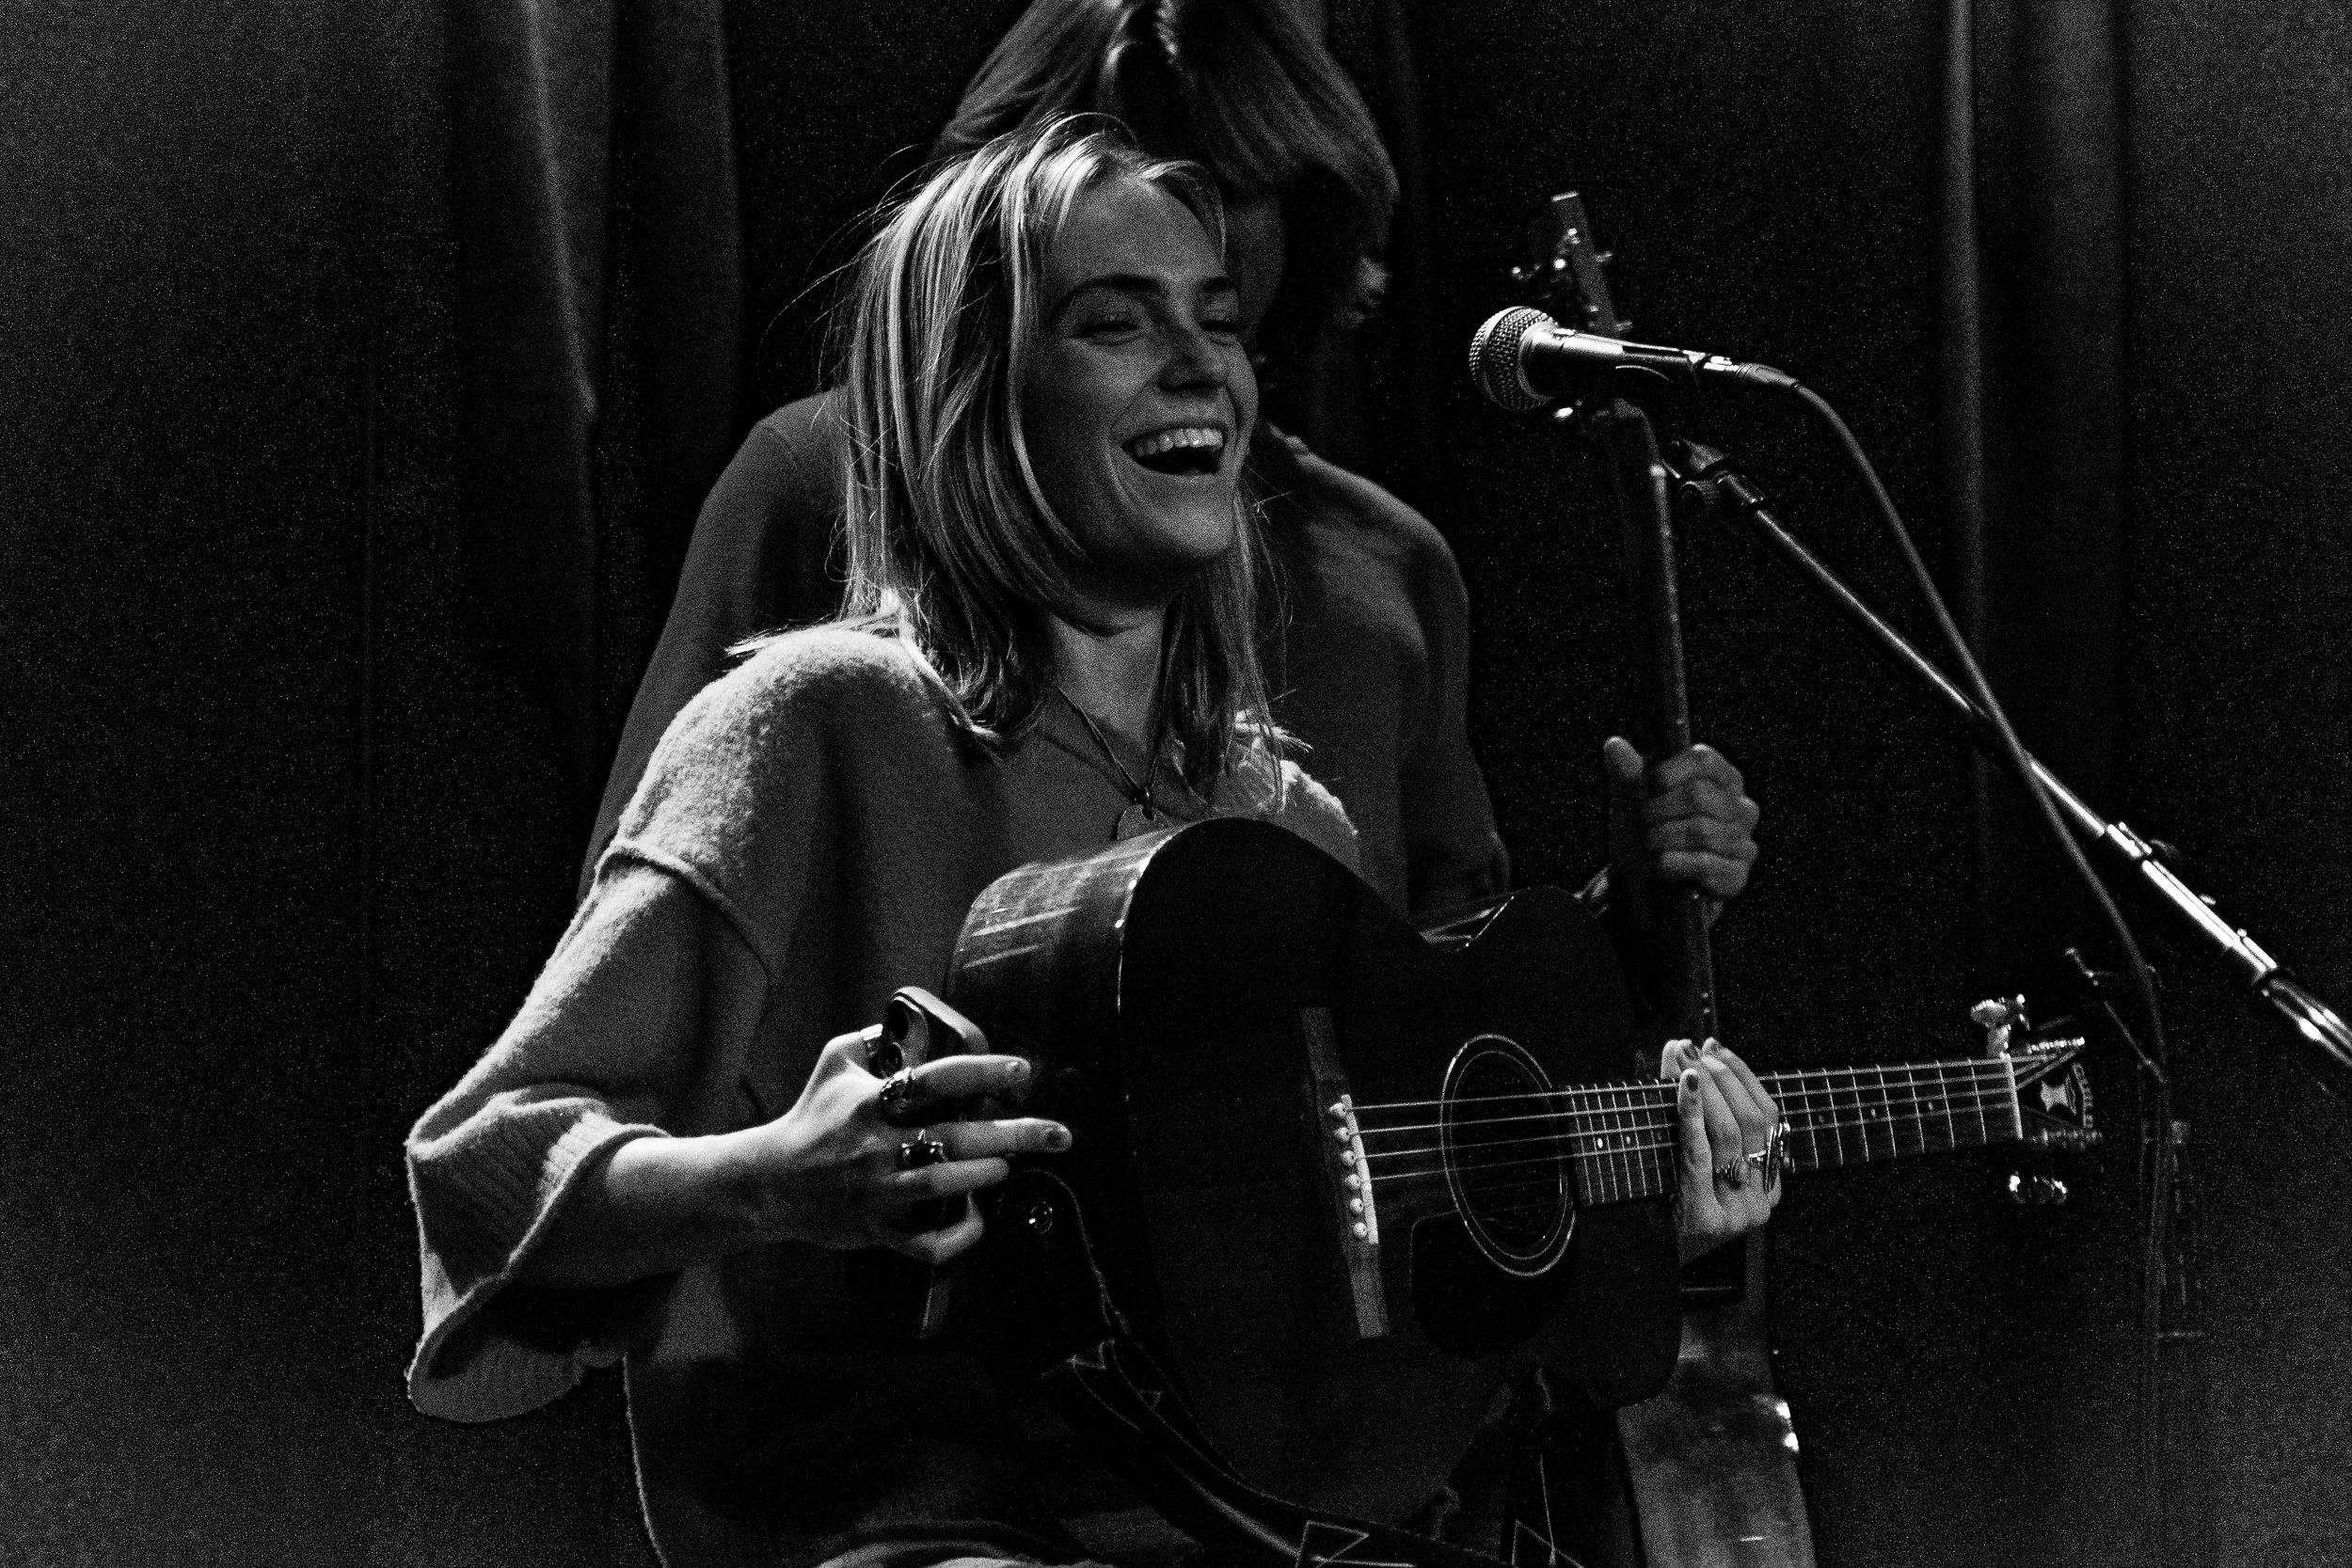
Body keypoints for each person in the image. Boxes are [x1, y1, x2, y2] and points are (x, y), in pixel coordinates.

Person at [407, 120, 1780, 1568]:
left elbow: (1348, 1294)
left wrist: (1651, 1218)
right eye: (1114, 324)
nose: (1200, 367)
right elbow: (485, 1166)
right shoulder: (810, 728)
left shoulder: (1283, 822)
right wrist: (776, 1172)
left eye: (1218, 322)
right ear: (972, 394)